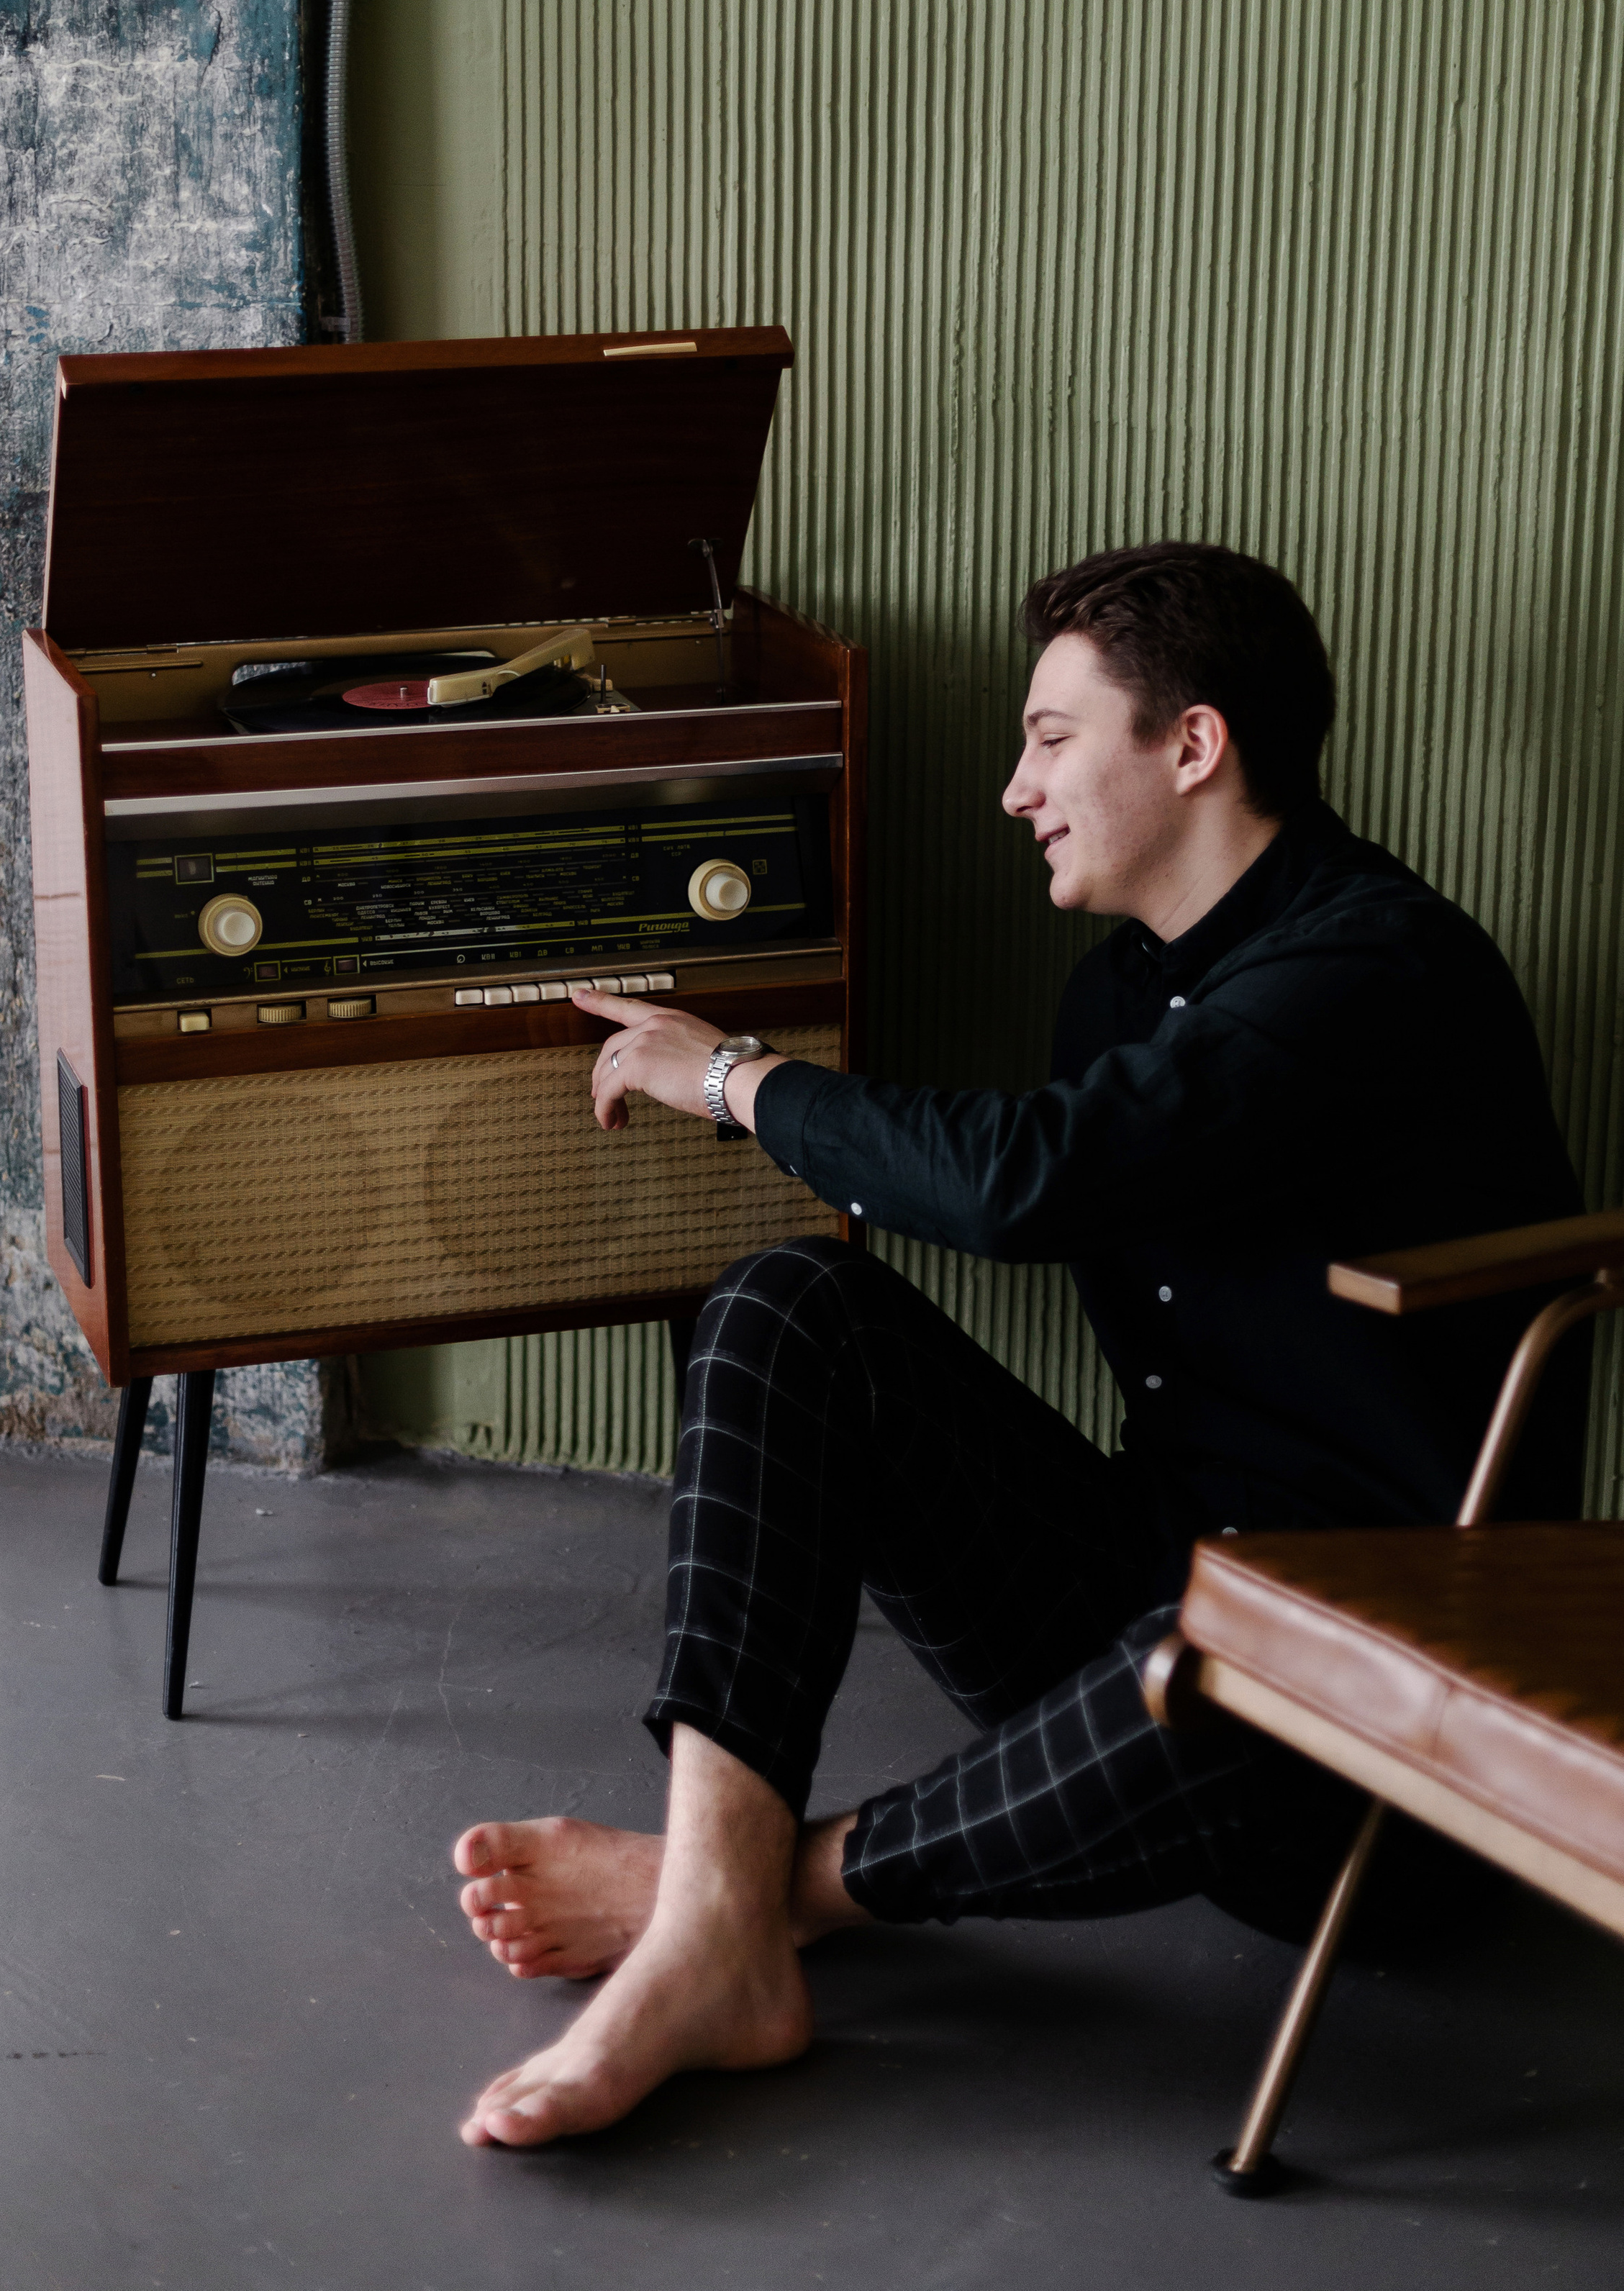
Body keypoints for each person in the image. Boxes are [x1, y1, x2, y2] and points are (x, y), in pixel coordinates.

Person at [450, 541, 1587, 2151]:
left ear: (1188, 746)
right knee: (784, 1308)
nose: (1011, 788)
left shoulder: (1370, 968)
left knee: (1225, 1643)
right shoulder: (1113, 1000)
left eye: (1051, 738)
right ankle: (721, 1909)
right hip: (1155, 1591)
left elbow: (1027, 1179)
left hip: (1364, 1726)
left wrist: (735, 1078)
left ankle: (717, 1904)